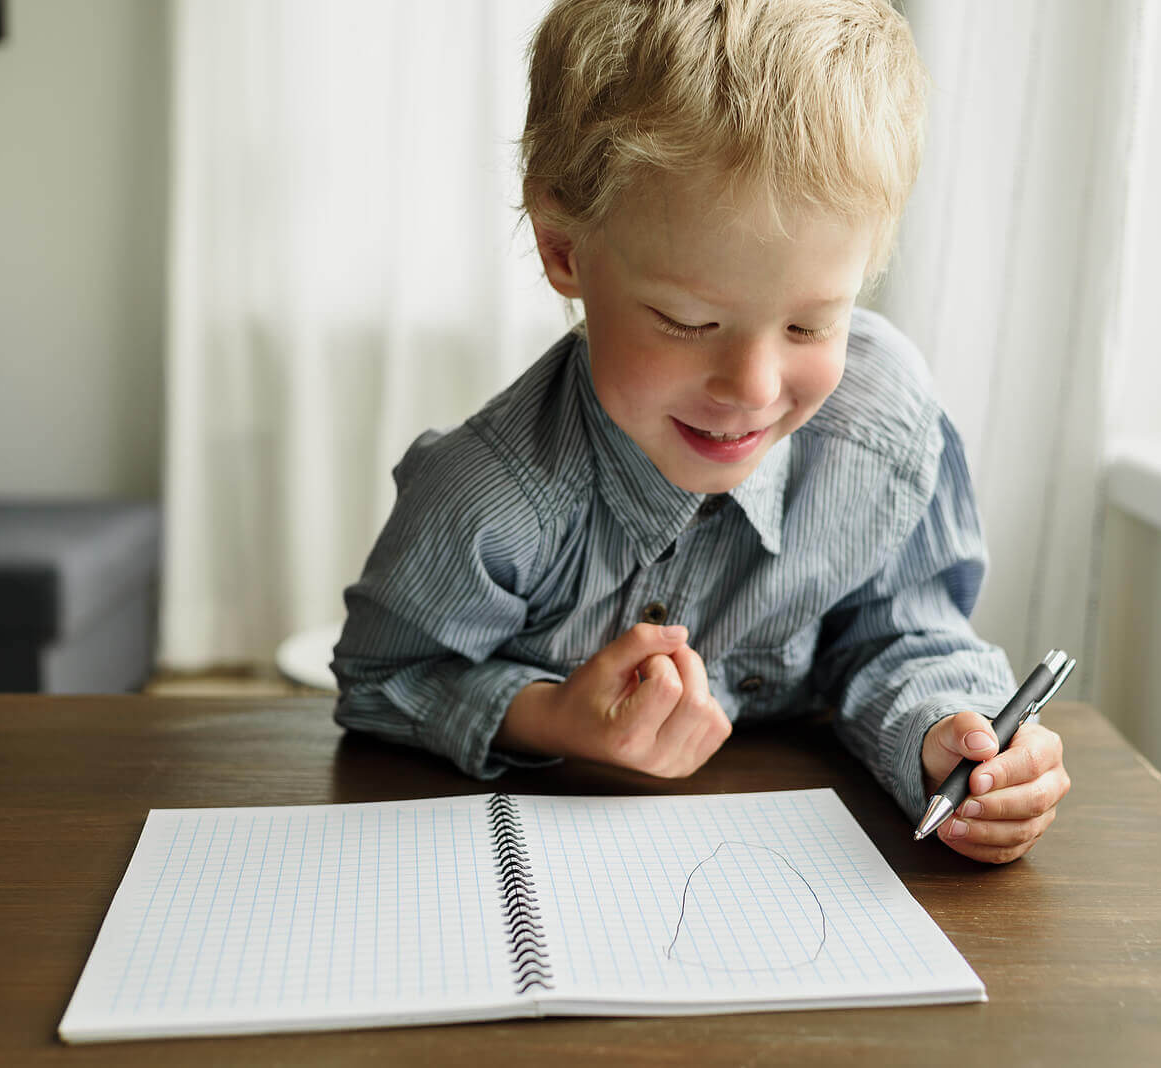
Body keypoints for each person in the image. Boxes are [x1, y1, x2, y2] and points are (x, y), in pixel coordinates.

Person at [333, 0, 1070, 863]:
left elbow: (897, 634)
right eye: (685, 320)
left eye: (811, 326)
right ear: (564, 248)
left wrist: (951, 737)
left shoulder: (878, 428)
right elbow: (383, 680)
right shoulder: (491, 497)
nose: (753, 389)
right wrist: (553, 715)